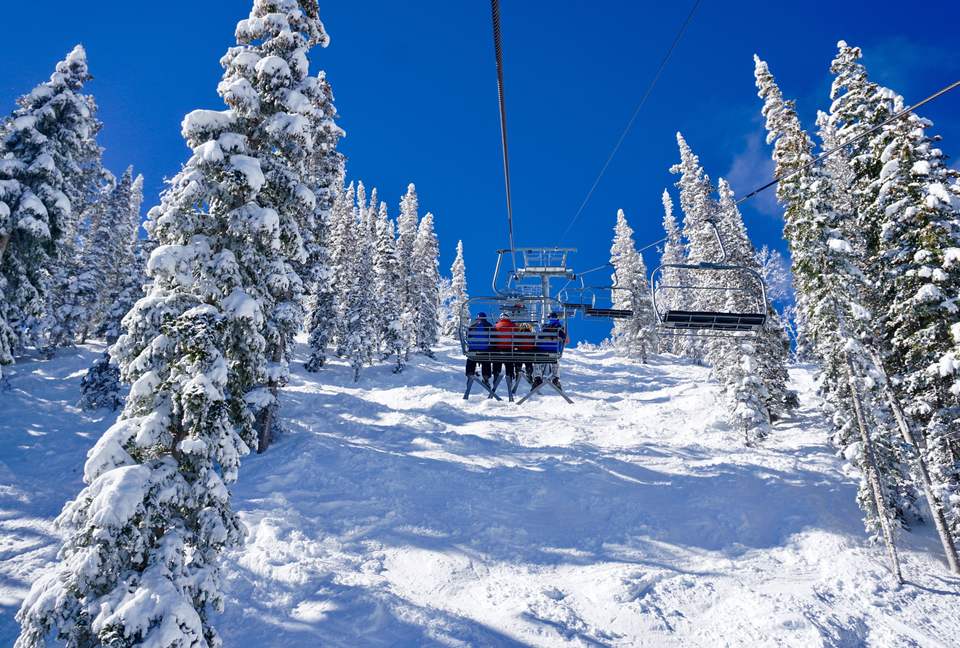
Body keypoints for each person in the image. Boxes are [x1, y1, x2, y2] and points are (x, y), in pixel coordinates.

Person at [537, 312, 569, 389]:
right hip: (554, 350)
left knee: (538, 360)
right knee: (555, 360)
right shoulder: (560, 328)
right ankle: (555, 378)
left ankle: (537, 377)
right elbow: (565, 340)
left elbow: (539, 337)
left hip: (543, 350)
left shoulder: (545, 327)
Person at [465, 312, 493, 387]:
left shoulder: (472, 325)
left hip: (473, 350)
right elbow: (493, 338)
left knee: (471, 358)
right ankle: (486, 377)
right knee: (486, 359)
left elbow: (467, 336)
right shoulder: (489, 325)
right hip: (485, 351)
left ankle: (470, 374)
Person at [492, 312, 519, 386]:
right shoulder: (513, 326)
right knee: (509, 362)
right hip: (509, 350)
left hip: (498, 350)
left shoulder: (496, 326)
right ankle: (510, 375)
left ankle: (496, 373)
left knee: (497, 360)